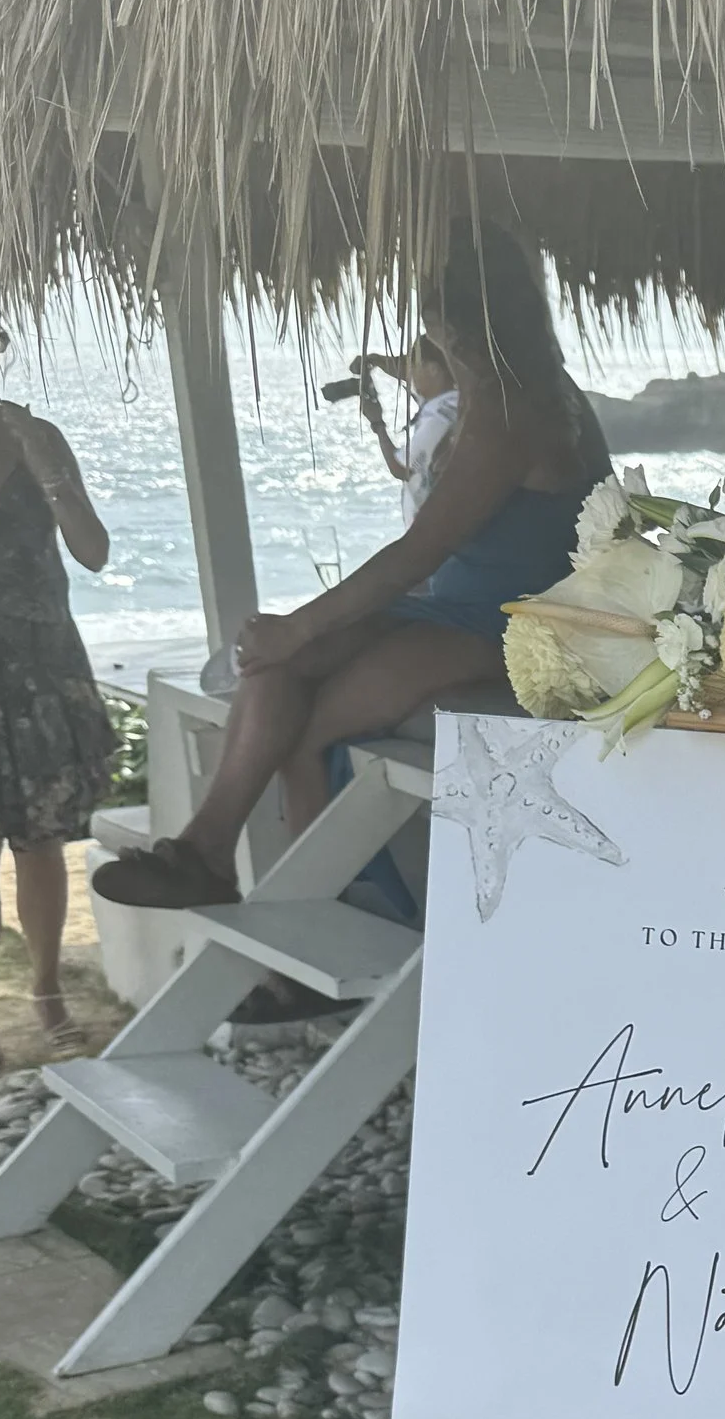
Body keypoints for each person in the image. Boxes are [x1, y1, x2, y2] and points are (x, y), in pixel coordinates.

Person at [93, 226, 609, 910]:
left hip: (513, 626)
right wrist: (290, 638)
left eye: (439, 327)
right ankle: (203, 852)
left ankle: (326, 915)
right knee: (275, 667)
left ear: (463, 324)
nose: (438, 344)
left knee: (310, 731)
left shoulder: (516, 412)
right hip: (450, 607)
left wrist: (296, 626)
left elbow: (417, 552)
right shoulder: (513, 388)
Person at [0, 321, 116, 1070]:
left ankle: (47, 993)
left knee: (43, 841)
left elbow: (94, 549)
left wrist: (51, 473)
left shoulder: (33, 433)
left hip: (41, 667)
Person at [357, 336, 463, 526]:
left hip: (435, 532)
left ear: (433, 369)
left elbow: (401, 468)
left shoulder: (439, 417)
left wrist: (377, 423)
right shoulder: (451, 400)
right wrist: (376, 361)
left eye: (414, 366)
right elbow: (401, 372)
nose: (410, 374)